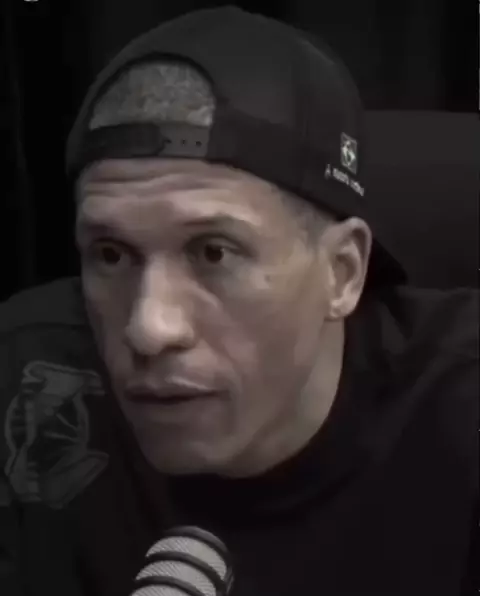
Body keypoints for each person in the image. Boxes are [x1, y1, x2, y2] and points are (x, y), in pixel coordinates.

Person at [0, 6, 478, 596]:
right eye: (112, 255)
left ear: (342, 272)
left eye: (214, 253)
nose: (148, 328)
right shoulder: (26, 376)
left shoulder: (460, 410)